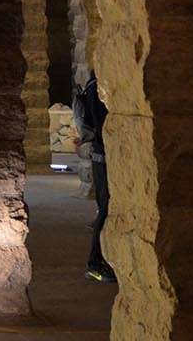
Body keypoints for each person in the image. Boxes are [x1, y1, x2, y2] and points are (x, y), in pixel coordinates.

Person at [74, 71, 115, 282]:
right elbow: (103, 126)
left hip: (103, 155)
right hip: (104, 156)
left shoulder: (93, 86)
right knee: (106, 209)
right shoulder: (97, 89)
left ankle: (103, 261)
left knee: (107, 208)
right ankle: (95, 263)